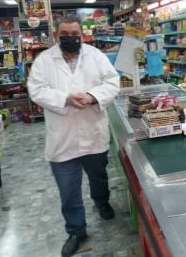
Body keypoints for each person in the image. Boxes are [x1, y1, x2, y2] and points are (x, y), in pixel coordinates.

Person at [27, 16, 120, 257]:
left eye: (74, 34)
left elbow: (112, 82)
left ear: (82, 35)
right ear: (57, 36)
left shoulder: (95, 56)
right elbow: (36, 90)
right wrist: (65, 99)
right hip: (62, 137)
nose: (70, 38)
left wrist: (91, 96)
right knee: (68, 191)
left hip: (92, 131)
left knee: (99, 178)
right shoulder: (44, 60)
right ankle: (76, 231)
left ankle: (102, 202)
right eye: (64, 34)